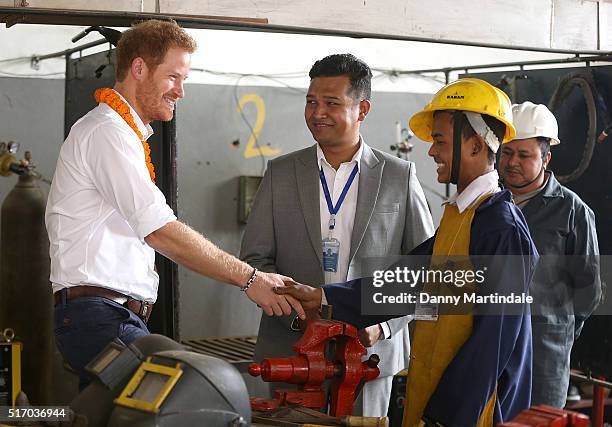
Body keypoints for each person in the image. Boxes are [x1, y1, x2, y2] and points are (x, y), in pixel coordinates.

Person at [45, 19, 304, 389]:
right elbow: (160, 230)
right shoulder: (108, 133)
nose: (181, 91)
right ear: (139, 69)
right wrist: (251, 279)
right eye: (173, 77)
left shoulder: (121, 134)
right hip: (100, 319)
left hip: (108, 318)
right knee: (192, 396)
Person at [276, 78, 539, 426]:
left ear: (475, 145)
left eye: (440, 141)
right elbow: (405, 283)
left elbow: (494, 341)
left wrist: (446, 416)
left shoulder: (501, 229)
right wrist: (322, 296)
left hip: (471, 413)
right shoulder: (462, 218)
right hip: (438, 400)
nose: (431, 151)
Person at [240, 53, 434, 417]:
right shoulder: (281, 173)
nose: (317, 113)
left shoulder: (398, 176)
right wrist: (298, 315)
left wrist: (384, 325)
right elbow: (255, 259)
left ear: (362, 109)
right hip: (292, 347)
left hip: (369, 354)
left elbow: (426, 272)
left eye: (331, 103)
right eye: (311, 101)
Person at [498, 101, 602, 407]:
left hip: (545, 355)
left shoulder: (573, 211)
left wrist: (558, 328)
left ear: (546, 159)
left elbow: (589, 290)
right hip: (490, 346)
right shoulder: (488, 203)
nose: (512, 162)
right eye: (507, 152)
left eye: (524, 155)